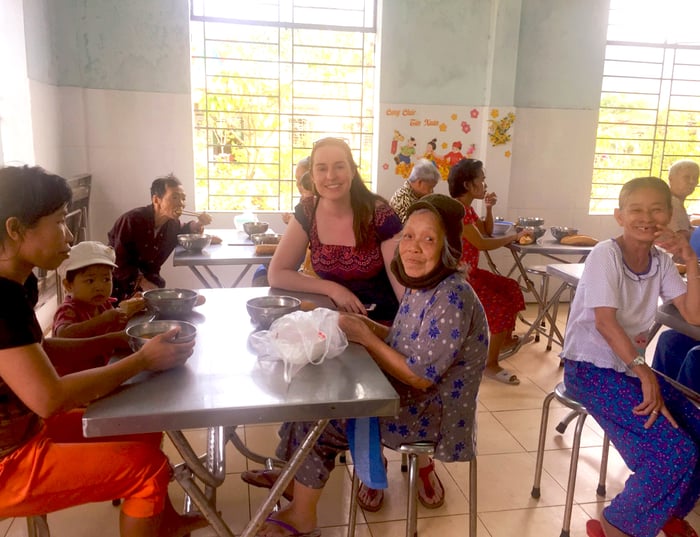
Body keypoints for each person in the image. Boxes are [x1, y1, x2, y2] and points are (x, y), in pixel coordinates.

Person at [253, 194, 488, 537]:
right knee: (310, 395)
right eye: (408, 236)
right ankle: (294, 475)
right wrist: (356, 324)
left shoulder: (452, 296)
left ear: (449, 248)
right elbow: (404, 337)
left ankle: (302, 514)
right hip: (407, 394)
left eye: (428, 239)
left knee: (324, 415)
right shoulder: (424, 285)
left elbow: (419, 377)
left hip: (432, 415)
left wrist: (366, 337)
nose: (413, 247)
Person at [0, 165, 207, 537]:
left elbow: (37, 349)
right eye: (60, 222)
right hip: (7, 459)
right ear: (15, 230)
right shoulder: (1, 299)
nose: (69, 234)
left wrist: (109, 341)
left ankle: (164, 524)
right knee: (148, 467)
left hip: (24, 428)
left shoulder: (18, 283)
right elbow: (49, 398)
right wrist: (140, 360)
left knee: (141, 428)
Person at [559, 176, 700, 537]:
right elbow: (605, 323)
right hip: (589, 368)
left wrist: (690, 259)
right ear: (619, 215)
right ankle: (615, 524)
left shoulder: (661, 261)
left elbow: (694, 314)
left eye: (657, 210)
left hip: (627, 369)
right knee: (672, 453)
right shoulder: (606, 254)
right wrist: (644, 373)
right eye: (636, 209)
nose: (647, 217)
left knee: (697, 433)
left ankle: (665, 512)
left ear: (669, 215)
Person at [268, 137, 404, 324]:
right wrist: (333, 289)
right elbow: (277, 274)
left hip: (378, 324)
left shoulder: (380, 214)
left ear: (353, 171)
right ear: (313, 176)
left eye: (339, 166)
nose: (331, 176)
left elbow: (404, 291)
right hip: (330, 322)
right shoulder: (308, 211)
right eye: (322, 168)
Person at [448, 158, 531, 385]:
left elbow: (486, 230)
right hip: (460, 278)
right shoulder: (457, 211)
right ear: (468, 185)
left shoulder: (467, 209)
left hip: (472, 272)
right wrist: (514, 236)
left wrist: (489, 208)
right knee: (499, 306)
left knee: (510, 287)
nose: (485, 185)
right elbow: (483, 243)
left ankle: (503, 339)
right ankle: (490, 365)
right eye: (482, 181)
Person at [108, 173, 212, 300]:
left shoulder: (172, 224)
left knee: (191, 300)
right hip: (118, 288)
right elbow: (118, 261)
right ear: (156, 200)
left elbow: (185, 230)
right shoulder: (132, 220)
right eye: (174, 198)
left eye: (183, 198)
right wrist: (143, 283)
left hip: (151, 284)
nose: (181, 203)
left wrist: (199, 223)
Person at [51, 241, 145, 374]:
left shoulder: (104, 304)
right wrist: (101, 320)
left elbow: (114, 327)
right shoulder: (68, 310)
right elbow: (63, 335)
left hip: (101, 369)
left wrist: (129, 309)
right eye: (90, 280)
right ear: (68, 285)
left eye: (106, 279)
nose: (100, 287)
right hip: (75, 379)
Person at [389, 158, 440, 222]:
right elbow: (413, 227)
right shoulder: (403, 198)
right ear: (419, 182)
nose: (432, 192)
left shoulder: (417, 196)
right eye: (430, 187)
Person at [667, 159, 699, 239]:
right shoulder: (670, 202)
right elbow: (680, 237)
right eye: (687, 177)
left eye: (695, 177)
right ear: (671, 179)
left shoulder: (676, 201)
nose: (692, 181)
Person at [282, 157, 312, 225]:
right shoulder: (303, 203)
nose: (298, 184)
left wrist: (294, 221)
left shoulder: (314, 204)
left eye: (302, 178)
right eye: (297, 178)